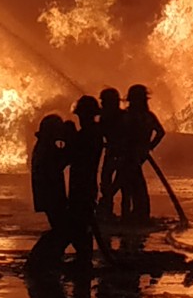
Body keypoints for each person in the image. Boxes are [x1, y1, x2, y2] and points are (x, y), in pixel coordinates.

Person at [118, 83, 166, 224]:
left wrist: (149, 147)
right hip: (131, 155)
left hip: (131, 155)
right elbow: (160, 132)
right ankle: (135, 214)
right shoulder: (145, 116)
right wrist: (149, 147)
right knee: (131, 184)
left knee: (128, 185)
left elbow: (160, 132)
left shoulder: (131, 116)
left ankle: (132, 215)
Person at [28, 114, 70, 268]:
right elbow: (56, 166)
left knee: (60, 228)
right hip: (51, 196)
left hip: (47, 196)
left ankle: (46, 258)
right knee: (61, 229)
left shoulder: (44, 145)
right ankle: (38, 259)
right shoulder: (46, 148)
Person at [66, 95, 103, 264]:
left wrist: (69, 137)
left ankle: (84, 258)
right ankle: (84, 256)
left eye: (81, 116)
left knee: (81, 222)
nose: (80, 119)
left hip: (83, 184)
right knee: (83, 222)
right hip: (84, 183)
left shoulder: (89, 134)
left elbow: (74, 155)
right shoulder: (93, 133)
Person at [97, 87, 125, 218]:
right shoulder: (104, 117)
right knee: (105, 180)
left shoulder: (123, 117)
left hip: (122, 154)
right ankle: (107, 208)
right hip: (111, 153)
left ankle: (110, 204)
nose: (101, 104)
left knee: (121, 182)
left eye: (103, 102)